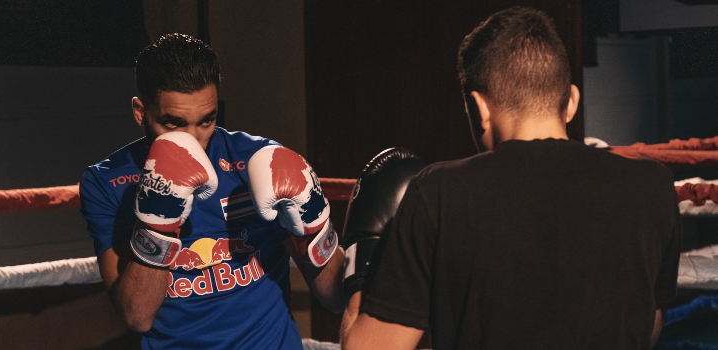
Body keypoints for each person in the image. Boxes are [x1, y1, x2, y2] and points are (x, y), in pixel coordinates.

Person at [341, 7, 682, 350]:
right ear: (572, 102)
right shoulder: (654, 187)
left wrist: (363, 264)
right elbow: (647, 330)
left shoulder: (440, 192)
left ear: (479, 108)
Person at [79, 33, 345, 349]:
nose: (195, 140)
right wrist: (159, 220)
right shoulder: (106, 182)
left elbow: (336, 296)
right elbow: (137, 316)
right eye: (173, 123)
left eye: (207, 120)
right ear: (140, 112)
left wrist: (313, 225)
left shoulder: (256, 161)